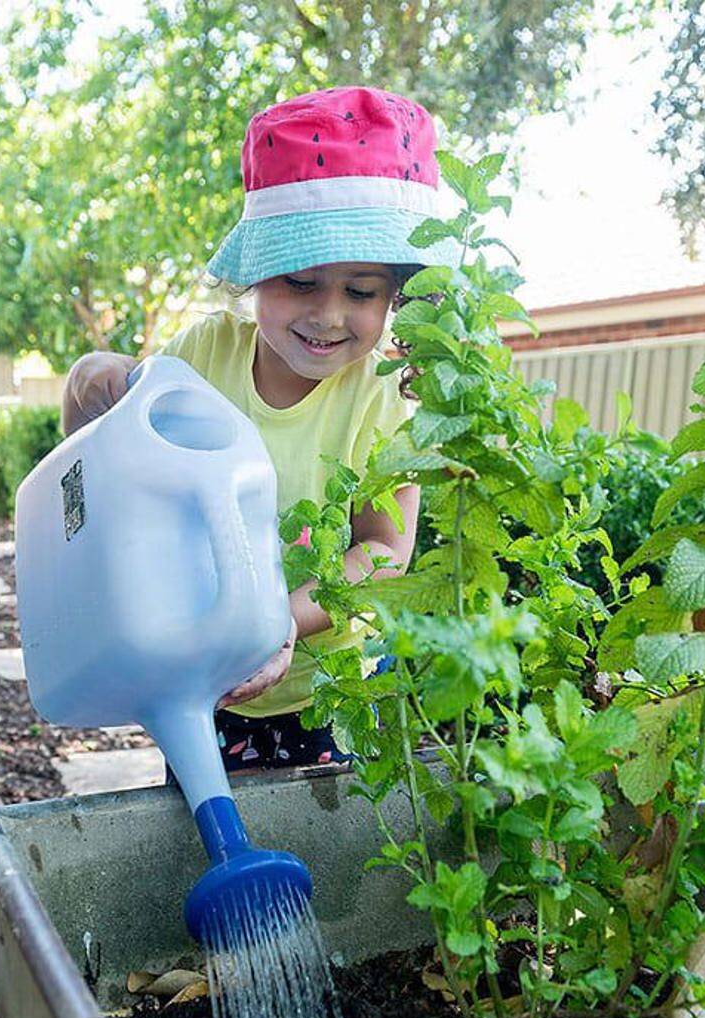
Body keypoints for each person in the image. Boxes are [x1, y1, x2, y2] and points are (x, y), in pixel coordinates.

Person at [61, 86, 458, 773]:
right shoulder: (202, 358)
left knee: (328, 846)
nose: (329, 316)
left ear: (397, 294)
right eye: (300, 282)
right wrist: (92, 383)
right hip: (202, 681)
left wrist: (282, 621)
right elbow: (111, 465)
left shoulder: (383, 398)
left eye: (362, 292)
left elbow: (385, 550)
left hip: (331, 690)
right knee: (203, 836)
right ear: (255, 278)